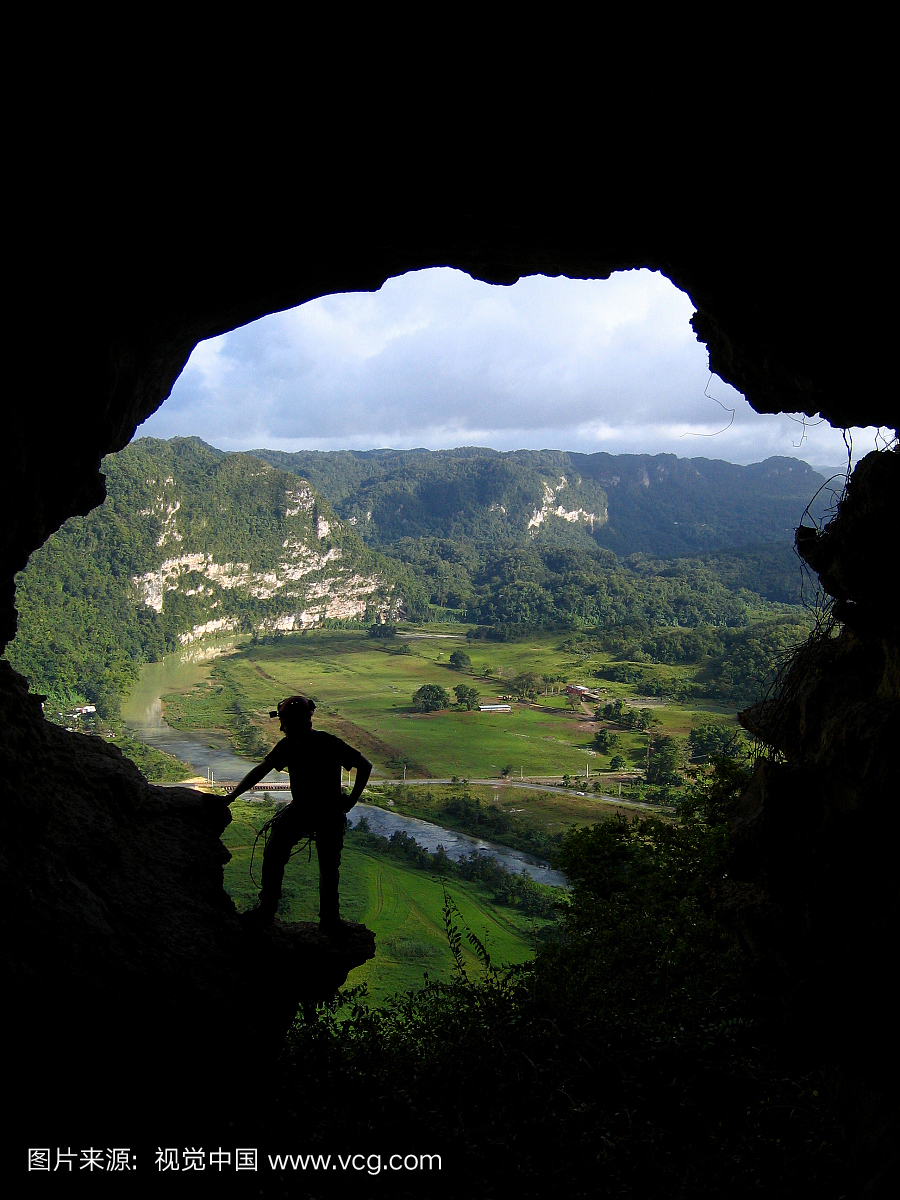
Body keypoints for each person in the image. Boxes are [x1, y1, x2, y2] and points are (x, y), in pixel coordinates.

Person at [224, 695, 371, 932]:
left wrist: (230, 798)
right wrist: (350, 801)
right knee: (328, 867)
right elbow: (365, 765)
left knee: (276, 851)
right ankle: (329, 920)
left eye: (284, 723)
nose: (282, 728)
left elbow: (260, 771)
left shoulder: (292, 745)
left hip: (306, 812)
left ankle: (268, 909)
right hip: (327, 813)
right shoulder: (323, 742)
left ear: (293, 723)